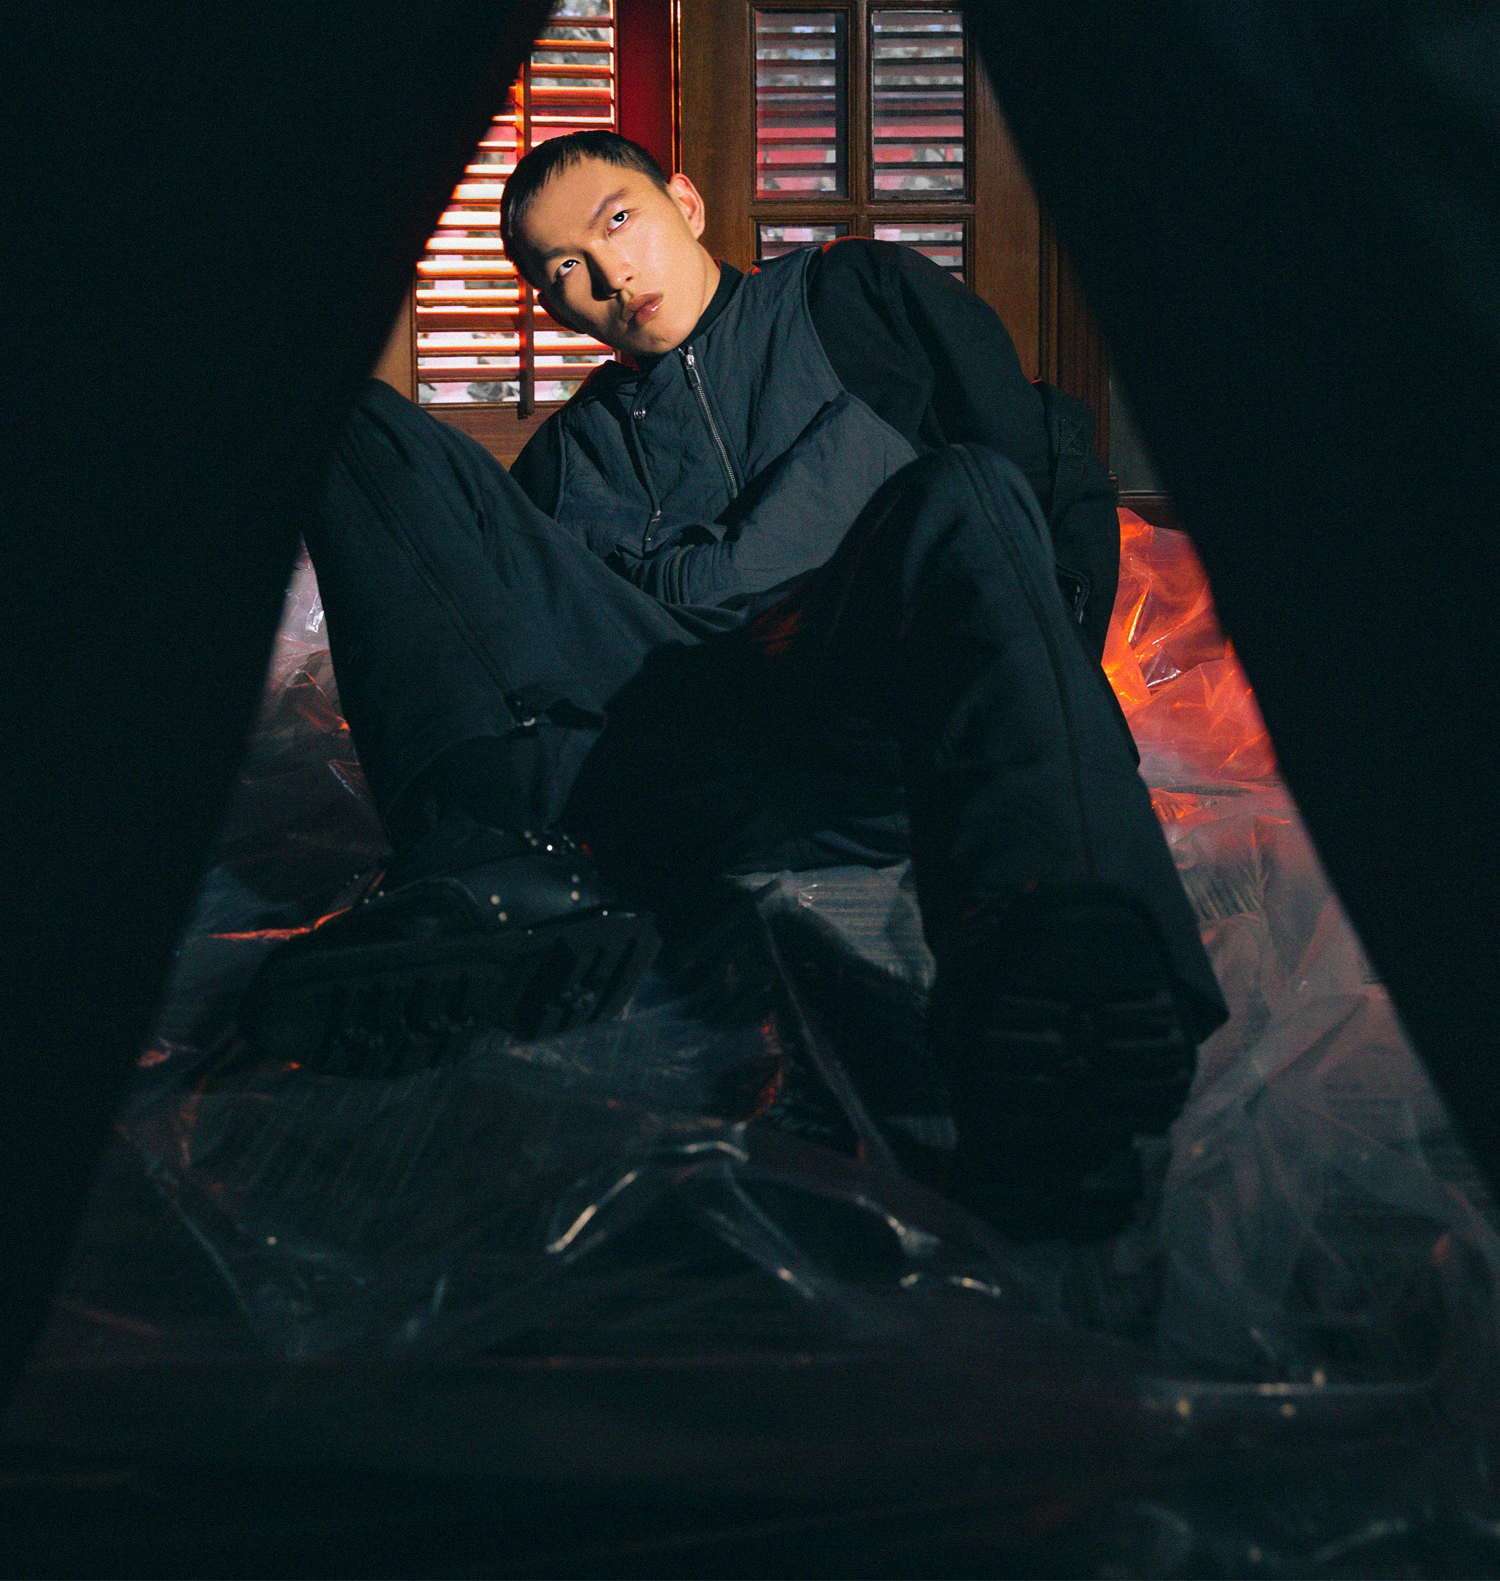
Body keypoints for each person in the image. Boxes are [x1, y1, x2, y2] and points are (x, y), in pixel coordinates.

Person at [244, 130, 1227, 1238]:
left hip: (857, 706)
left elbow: (1036, 484)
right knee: (359, 421)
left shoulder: (855, 301)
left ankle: (1069, 963)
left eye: (619, 222)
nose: (610, 276)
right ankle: (478, 883)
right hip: (659, 752)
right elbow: (512, 643)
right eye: (565, 269)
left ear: (687, 201)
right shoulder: (568, 458)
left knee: (968, 488)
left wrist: (1051, 689)